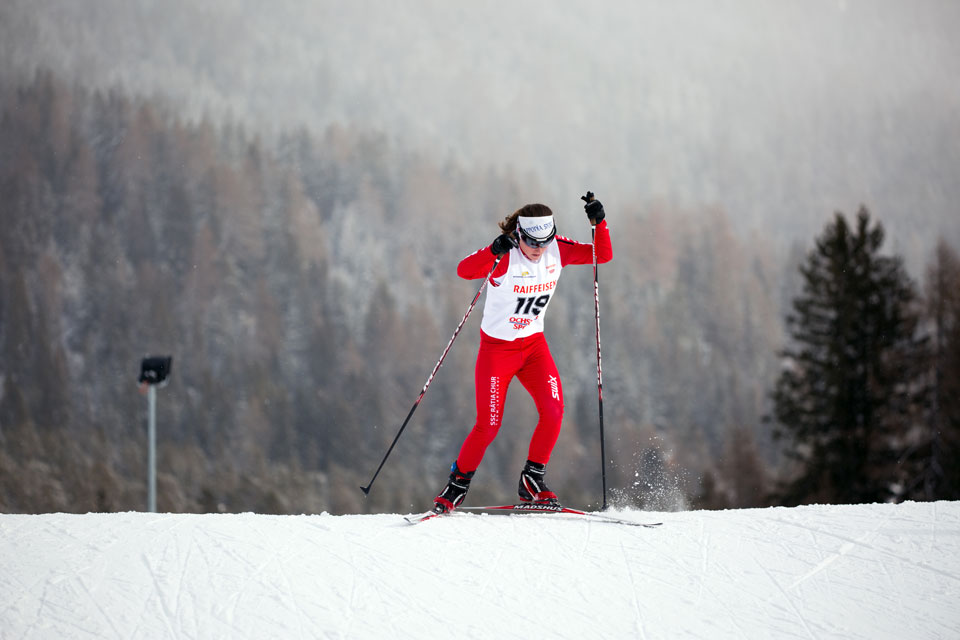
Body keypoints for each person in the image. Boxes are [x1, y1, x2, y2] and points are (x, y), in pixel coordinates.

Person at [433, 193, 611, 513]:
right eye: (532, 242)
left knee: (554, 412)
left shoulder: (558, 249)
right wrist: (492, 251)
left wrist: (599, 223)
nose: (539, 249)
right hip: (497, 352)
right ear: (518, 235)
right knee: (488, 425)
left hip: (533, 349)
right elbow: (464, 270)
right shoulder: (506, 254)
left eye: (545, 242)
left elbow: (603, 255)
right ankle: (455, 486)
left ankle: (532, 481)